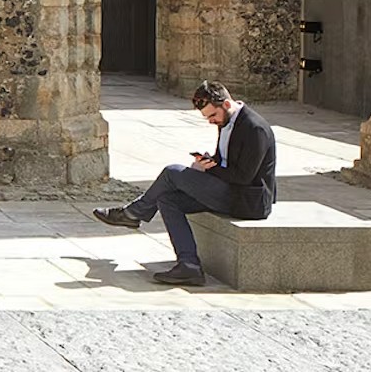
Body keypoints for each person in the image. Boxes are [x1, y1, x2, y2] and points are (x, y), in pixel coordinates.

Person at [92, 80, 277, 285]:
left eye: (212, 116)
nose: (211, 121)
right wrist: (210, 162)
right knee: (168, 199)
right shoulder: (226, 122)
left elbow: (244, 177)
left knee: (173, 172)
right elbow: (227, 162)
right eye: (207, 118)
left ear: (225, 104)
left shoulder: (254, 128)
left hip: (248, 200)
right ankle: (189, 266)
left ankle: (133, 213)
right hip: (229, 190)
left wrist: (211, 169)